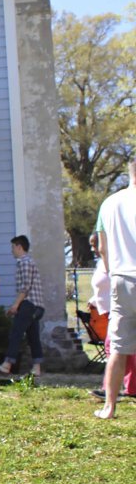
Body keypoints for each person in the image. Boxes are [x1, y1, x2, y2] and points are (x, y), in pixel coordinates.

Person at [94, 157, 136, 420]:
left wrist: (111, 272)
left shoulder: (110, 203)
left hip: (121, 278)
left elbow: (101, 247)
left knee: (119, 347)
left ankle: (109, 407)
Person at [86, 231, 136, 402]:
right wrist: (93, 300)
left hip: (119, 309)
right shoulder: (102, 261)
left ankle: (110, 389)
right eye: (91, 245)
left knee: (114, 347)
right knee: (122, 350)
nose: (94, 248)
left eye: (95, 244)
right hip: (108, 312)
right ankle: (129, 387)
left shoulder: (115, 259)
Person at [0, 235, 44, 376]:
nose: (12, 250)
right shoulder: (29, 262)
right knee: (33, 336)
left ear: (19, 246)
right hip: (37, 305)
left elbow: (25, 286)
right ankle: (37, 367)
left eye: (13, 247)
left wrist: (16, 305)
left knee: (16, 333)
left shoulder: (24, 262)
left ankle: (7, 364)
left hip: (28, 303)